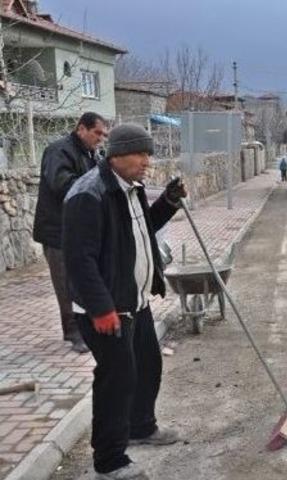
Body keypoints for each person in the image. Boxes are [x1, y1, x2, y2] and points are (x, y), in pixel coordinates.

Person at [63, 124, 187, 480]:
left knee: (147, 366)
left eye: (149, 154)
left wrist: (168, 201)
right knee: (116, 380)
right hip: (106, 309)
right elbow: (79, 260)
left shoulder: (129, 188)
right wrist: (101, 308)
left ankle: (141, 427)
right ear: (117, 155)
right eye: (141, 154)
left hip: (135, 302)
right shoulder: (89, 193)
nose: (147, 161)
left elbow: (142, 228)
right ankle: (110, 460)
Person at [33, 112, 107, 354]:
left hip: (79, 231)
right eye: (97, 133)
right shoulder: (59, 151)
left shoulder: (91, 155)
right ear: (81, 129)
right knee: (65, 283)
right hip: (57, 231)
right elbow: (62, 183)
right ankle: (73, 332)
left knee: (83, 279)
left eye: (104, 135)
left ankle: (86, 325)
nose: (100, 139)